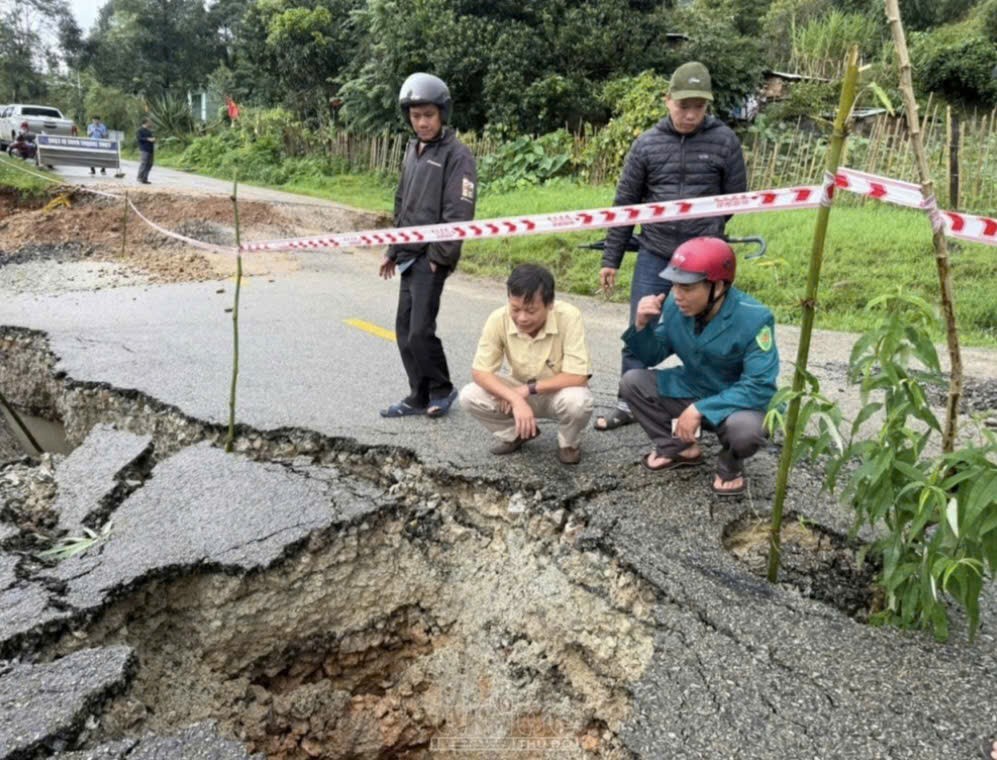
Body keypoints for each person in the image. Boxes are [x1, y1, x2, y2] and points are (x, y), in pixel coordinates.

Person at [594, 61, 747, 431]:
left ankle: (713, 403)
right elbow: (625, 205)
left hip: (706, 262)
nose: (690, 114)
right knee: (640, 326)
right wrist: (611, 258)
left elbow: (736, 199)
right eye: (683, 105)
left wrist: (706, 233)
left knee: (714, 331)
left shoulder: (725, 141)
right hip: (656, 254)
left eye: (698, 106)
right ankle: (628, 401)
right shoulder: (646, 145)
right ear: (667, 101)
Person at [619, 237, 777, 495]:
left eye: (687, 287)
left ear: (718, 285)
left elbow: (760, 385)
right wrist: (640, 326)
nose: (677, 295)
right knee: (632, 382)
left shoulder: (755, 318)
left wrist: (699, 409)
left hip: (738, 403)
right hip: (693, 387)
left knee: (745, 431)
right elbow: (653, 355)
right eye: (674, 285)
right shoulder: (674, 305)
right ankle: (680, 449)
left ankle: (730, 463)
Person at [378, 72, 476, 419]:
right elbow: (402, 201)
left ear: (442, 114)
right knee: (404, 332)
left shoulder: (457, 155)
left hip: (431, 257)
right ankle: (418, 395)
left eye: (429, 115)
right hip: (407, 254)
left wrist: (439, 257)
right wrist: (393, 248)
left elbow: (459, 212)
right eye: (416, 116)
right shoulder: (412, 150)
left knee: (420, 330)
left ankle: (442, 388)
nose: (422, 123)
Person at [460, 264, 593, 465]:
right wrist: (514, 397)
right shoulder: (498, 318)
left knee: (579, 401)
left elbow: (578, 376)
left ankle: (568, 443)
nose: (521, 318)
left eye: (531, 310)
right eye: (515, 308)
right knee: (470, 395)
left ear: (549, 304)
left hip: (557, 392)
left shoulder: (569, 316)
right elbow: (480, 371)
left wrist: (527, 390)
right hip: (519, 391)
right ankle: (518, 433)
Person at [136, 118, 155, 185]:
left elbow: (152, 138)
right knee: (144, 163)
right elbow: (139, 139)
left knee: (149, 164)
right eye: (148, 122)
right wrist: (148, 139)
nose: (149, 124)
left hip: (150, 149)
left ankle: (145, 178)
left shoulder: (149, 131)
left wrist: (153, 139)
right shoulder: (140, 130)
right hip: (144, 149)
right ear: (145, 123)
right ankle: (140, 177)